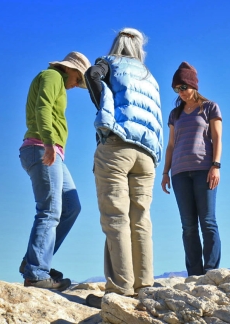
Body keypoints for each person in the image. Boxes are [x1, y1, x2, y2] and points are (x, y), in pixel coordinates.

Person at [84, 28, 162, 308]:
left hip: (117, 145)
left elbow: (91, 74)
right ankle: (145, 285)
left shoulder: (110, 62)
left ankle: (119, 290)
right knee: (141, 219)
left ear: (117, 44)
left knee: (116, 217)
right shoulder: (149, 76)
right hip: (147, 154)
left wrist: (103, 106)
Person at [19, 51, 91, 291]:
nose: (76, 85)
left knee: (72, 206)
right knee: (50, 209)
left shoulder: (58, 81)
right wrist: (49, 142)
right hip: (41, 147)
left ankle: (34, 260)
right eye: (78, 79)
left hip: (52, 152)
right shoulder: (51, 76)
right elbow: (42, 108)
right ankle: (36, 272)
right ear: (70, 69)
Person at [161, 62, 222, 276]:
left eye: (183, 87)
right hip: (179, 173)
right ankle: (194, 274)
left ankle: (212, 270)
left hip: (203, 169)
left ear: (193, 85)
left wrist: (215, 166)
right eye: (176, 89)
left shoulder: (210, 107)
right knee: (188, 226)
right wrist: (165, 172)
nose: (181, 93)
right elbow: (170, 145)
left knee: (207, 221)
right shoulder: (174, 114)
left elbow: (216, 138)